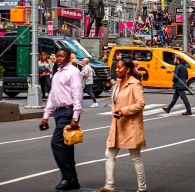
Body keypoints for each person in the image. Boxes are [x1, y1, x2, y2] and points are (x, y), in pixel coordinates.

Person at [95, 57, 147, 192]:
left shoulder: (135, 84)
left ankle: (142, 188)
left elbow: (140, 103)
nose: (116, 70)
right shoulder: (117, 84)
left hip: (131, 125)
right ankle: (109, 185)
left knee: (135, 157)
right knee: (109, 154)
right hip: (117, 125)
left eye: (119, 67)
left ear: (128, 70)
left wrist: (123, 111)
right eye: (116, 67)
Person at [39, 48, 83, 191]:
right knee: (67, 147)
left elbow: (77, 95)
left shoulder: (73, 72)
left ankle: (67, 177)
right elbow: (53, 95)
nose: (59, 59)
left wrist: (75, 117)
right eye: (57, 56)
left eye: (62, 56)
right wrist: (46, 116)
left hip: (68, 112)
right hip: (59, 113)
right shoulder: (57, 74)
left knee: (56, 143)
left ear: (69, 58)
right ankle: (73, 180)